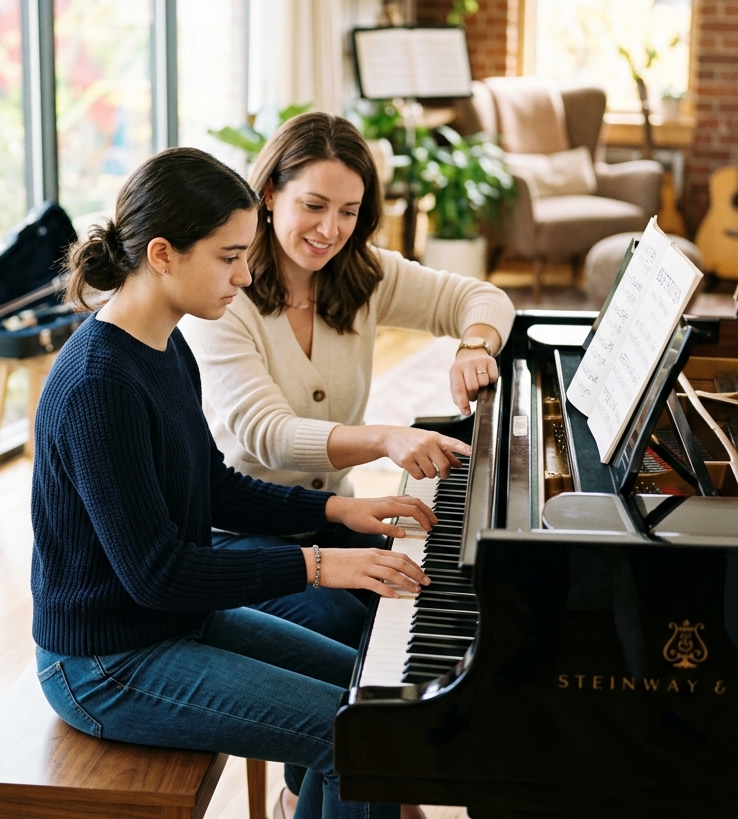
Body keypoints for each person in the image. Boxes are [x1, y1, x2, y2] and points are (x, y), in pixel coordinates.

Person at [30, 147, 439, 819]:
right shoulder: (100, 385)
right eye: (228, 258)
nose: (246, 277)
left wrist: (338, 511)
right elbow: (157, 572)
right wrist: (317, 563)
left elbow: (212, 486)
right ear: (162, 254)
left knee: (374, 703)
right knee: (360, 740)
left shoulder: (164, 345)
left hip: (170, 624)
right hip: (105, 663)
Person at [180, 111, 516, 649]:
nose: (330, 230)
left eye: (349, 212)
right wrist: (385, 438)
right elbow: (269, 434)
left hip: (333, 515)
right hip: (240, 536)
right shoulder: (224, 292)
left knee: (432, 593)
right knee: (348, 624)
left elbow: (481, 298)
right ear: (268, 193)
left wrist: (473, 345)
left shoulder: (363, 273)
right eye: (313, 206)